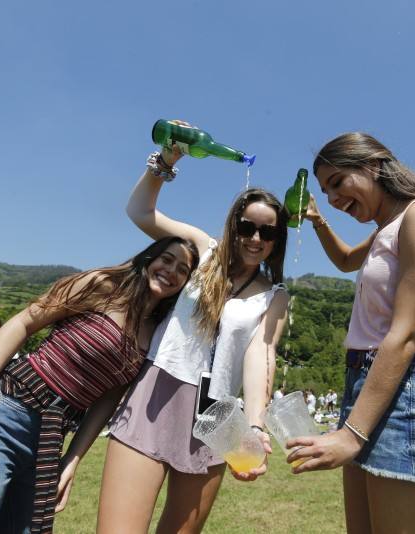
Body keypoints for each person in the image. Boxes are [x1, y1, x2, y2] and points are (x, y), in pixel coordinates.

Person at [0, 237, 199, 534]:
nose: (171, 270)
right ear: (149, 259)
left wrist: (73, 459)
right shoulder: (103, 287)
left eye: (183, 269)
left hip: (50, 436)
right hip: (6, 409)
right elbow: (24, 322)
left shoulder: (154, 332)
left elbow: (108, 399)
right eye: (166, 258)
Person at [101, 132, 289, 533]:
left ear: (277, 240)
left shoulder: (274, 296)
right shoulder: (203, 250)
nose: (255, 239)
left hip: (218, 414)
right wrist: (166, 163)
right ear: (233, 224)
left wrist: (255, 425)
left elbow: (261, 354)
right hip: (158, 388)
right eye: (247, 226)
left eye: (267, 232)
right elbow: (141, 211)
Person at [286, 131, 415, 532]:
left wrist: (351, 434)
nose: (333, 199)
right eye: (325, 190)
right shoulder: (386, 228)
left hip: (404, 385)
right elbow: (346, 259)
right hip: (365, 386)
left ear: (373, 165)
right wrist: (317, 220)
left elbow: (405, 333)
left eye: (337, 182)